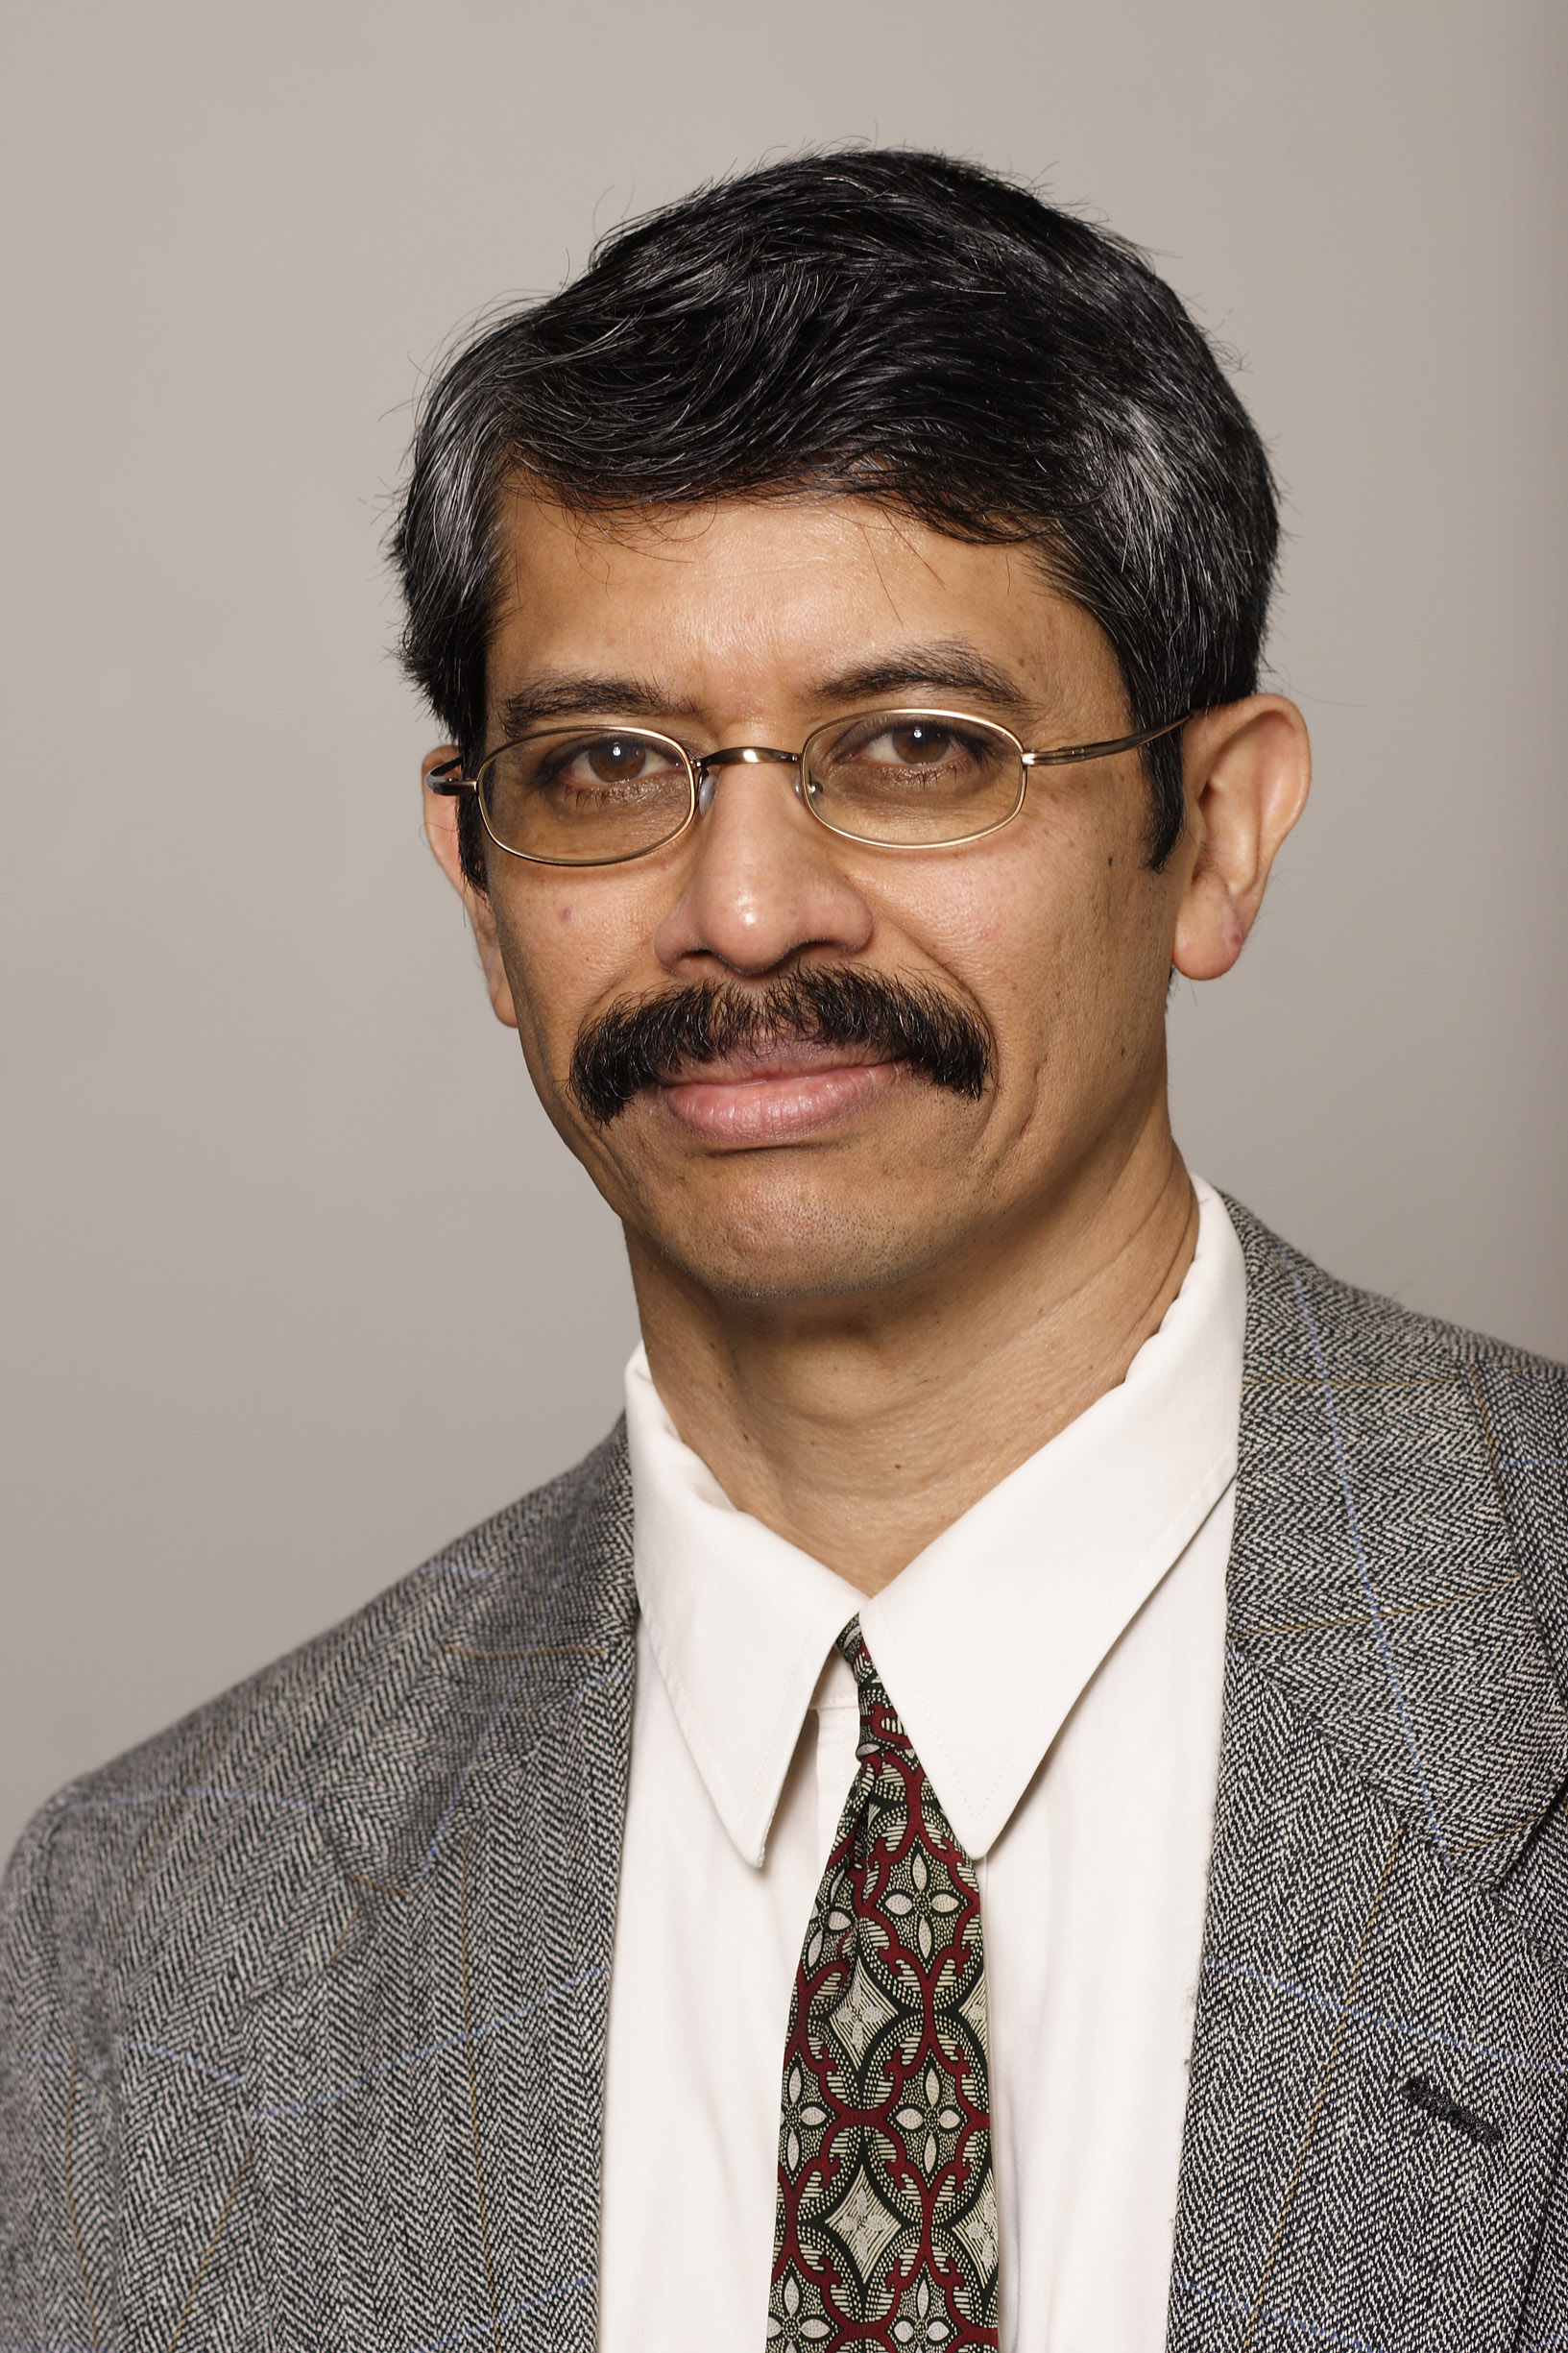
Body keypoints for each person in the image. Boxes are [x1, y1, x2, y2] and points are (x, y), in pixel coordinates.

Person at [2, 149, 1562, 2353]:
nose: (742, 909)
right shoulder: (136, 1946)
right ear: (479, 885)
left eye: (914, 747)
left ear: (1213, 833)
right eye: (605, 764)